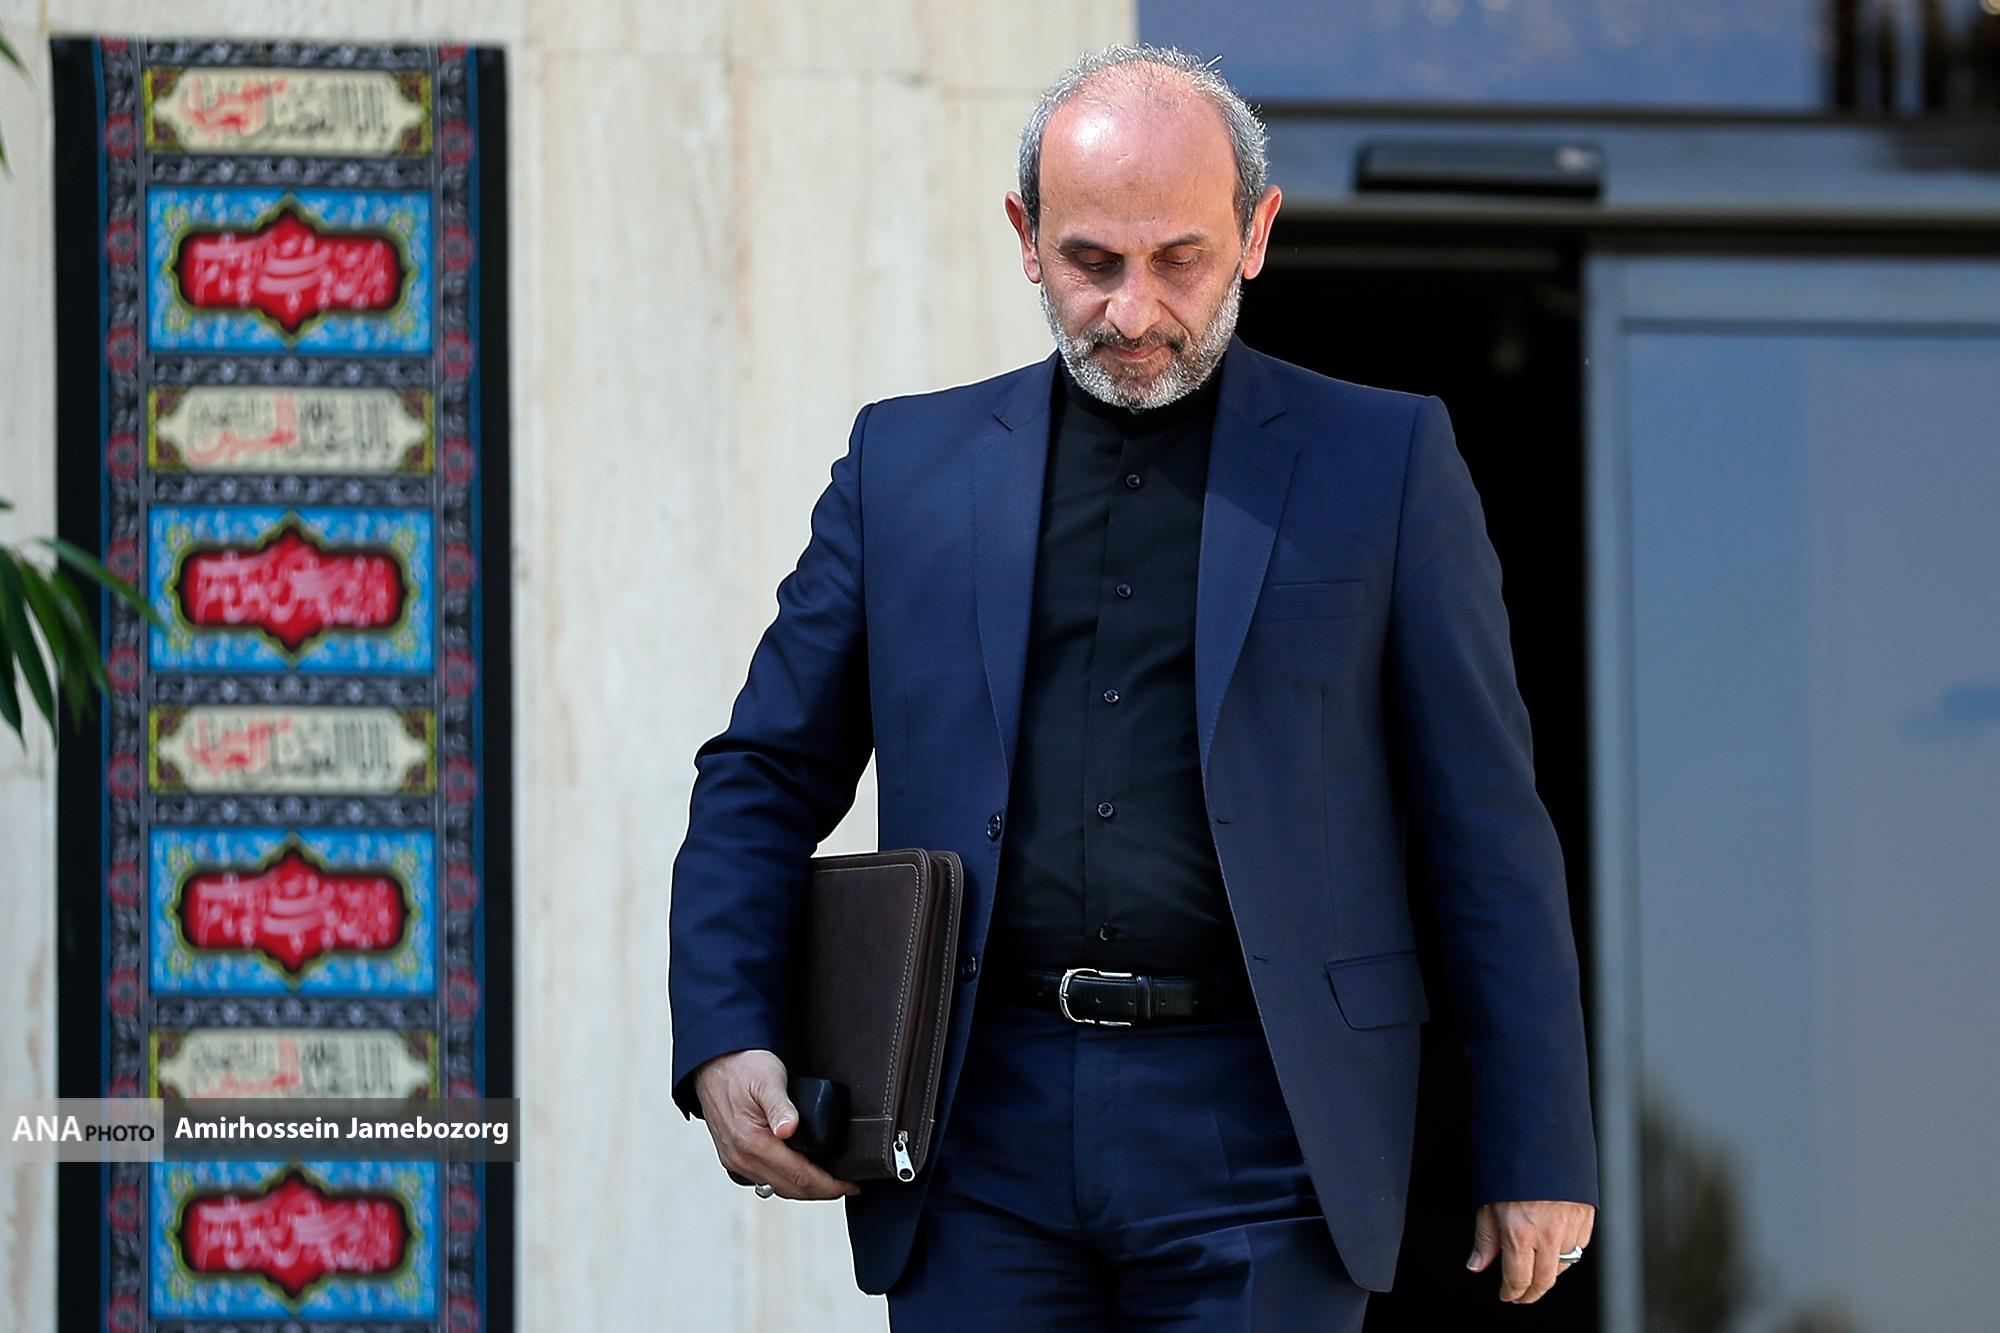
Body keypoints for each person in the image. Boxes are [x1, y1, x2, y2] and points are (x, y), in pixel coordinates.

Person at [668, 42, 1597, 1330]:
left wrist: (1537, 1140)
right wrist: (727, 1028)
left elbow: (1484, 823)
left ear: (1257, 234)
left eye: (1180, 260)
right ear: (1026, 236)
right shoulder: (902, 467)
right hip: (972, 1135)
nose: (1133, 311)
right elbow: (763, 771)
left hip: (1269, 1132)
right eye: (1092, 261)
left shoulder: (1387, 462)